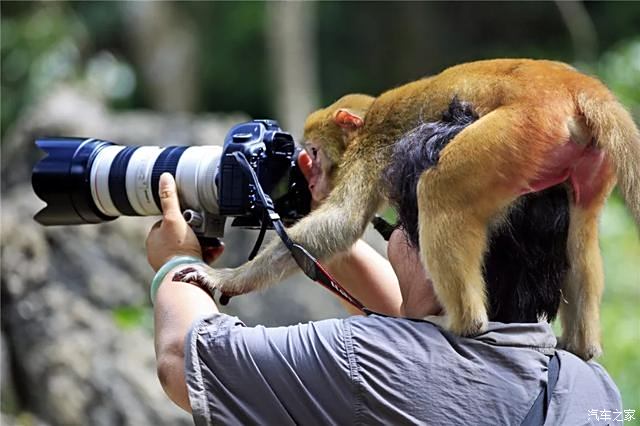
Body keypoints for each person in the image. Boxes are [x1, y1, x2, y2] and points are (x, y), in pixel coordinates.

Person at [146, 148, 621, 425]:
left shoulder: (362, 361)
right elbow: (428, 346)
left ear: (437, 253)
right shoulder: (597, 393)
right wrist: (320, 226)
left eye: (396, 223)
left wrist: (176, 261)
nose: (392, 236)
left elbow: (182, 360)